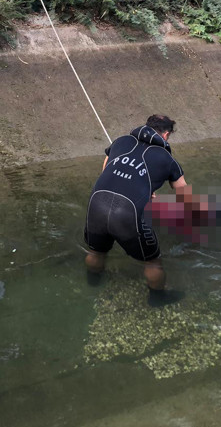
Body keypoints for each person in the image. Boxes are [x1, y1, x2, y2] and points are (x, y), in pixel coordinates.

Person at [84, 114, 202, 306]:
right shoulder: (166, 158)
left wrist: (141, 187)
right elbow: (183, 193)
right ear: (166, 135)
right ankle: (157, 298)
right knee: (153, 261)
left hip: (97, 202)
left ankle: (93, 282)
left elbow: (106, 168)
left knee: (96, 252)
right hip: (126, 213)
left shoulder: (120, 141)